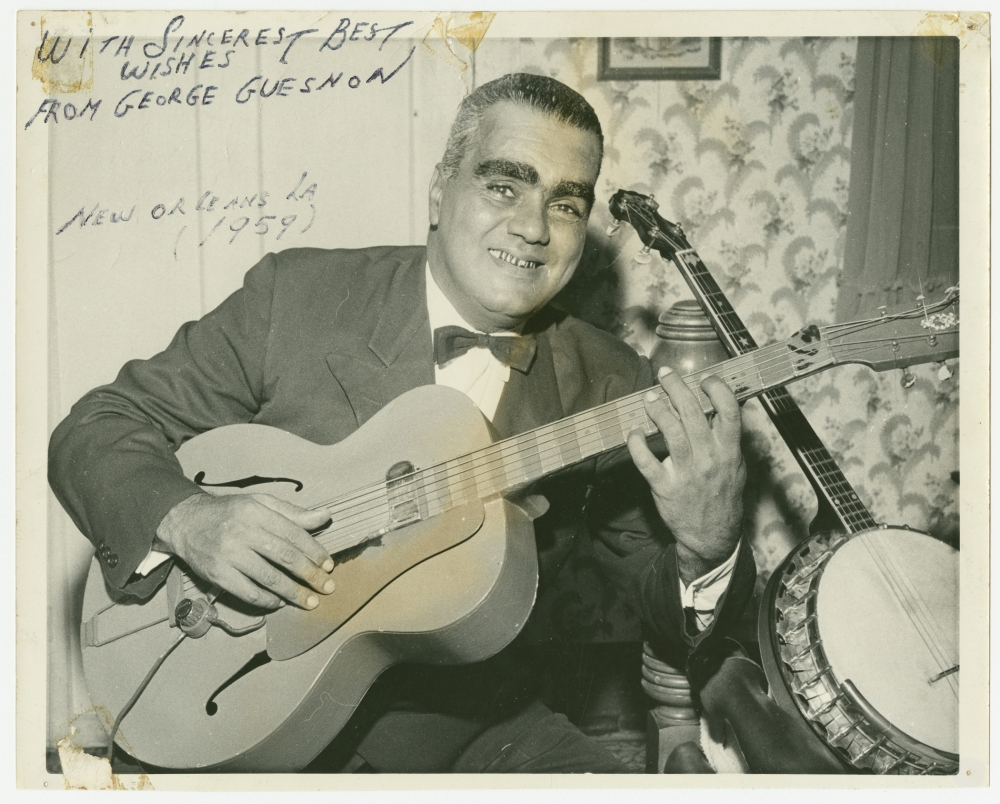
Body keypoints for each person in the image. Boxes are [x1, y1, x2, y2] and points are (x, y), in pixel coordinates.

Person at [49, 73, 755, 773]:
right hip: (239, 716)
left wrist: (709, 545)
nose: (534, 227)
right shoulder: (297, 297)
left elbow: (661, 611)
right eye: (503, 186)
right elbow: (97, 428)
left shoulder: (610, 381)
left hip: (473, 732)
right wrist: (189, 519)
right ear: (440, 190)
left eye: (566, 204)